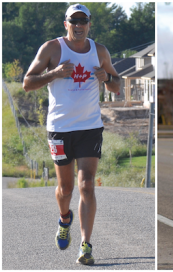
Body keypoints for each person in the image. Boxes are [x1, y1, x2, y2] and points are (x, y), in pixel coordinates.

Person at [22, 4, 121, 265]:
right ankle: (64, 218)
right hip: (60, 129)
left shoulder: (99, 51)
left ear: (89, 23)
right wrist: (54, 73)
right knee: (65, 189)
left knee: (86, 184)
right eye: (73, 21)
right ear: (65, 23)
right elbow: (27, 83)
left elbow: (117, 85)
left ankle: (86, 246)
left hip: (90, 127)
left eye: (83, 21)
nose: (79, 25)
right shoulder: (52, 49)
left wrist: (106, 77)